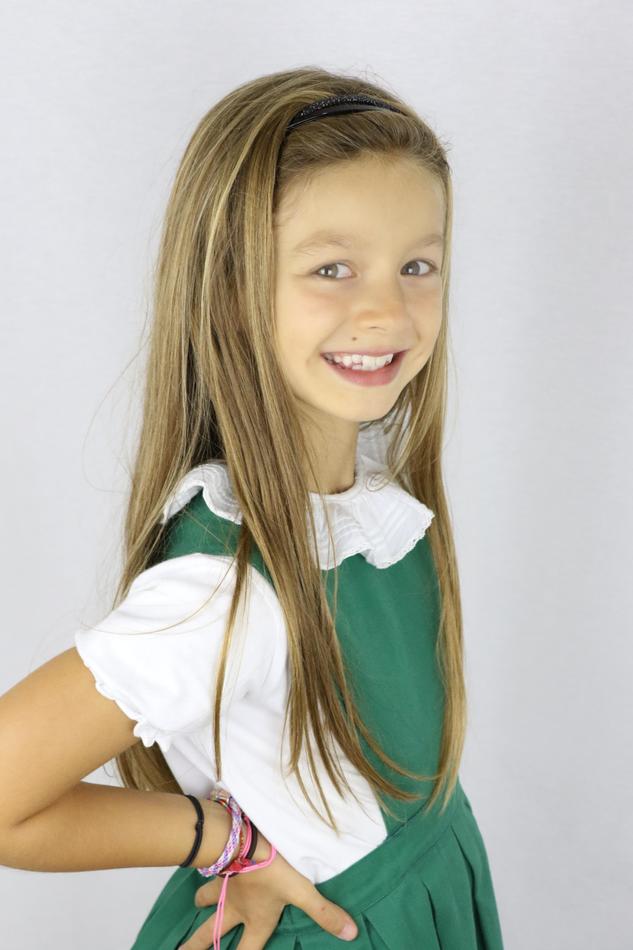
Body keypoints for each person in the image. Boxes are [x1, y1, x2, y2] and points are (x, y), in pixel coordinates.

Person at [0, 66, 505, 949]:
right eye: (332, 268)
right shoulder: (220, 591)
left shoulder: (373, 516)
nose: (387, 309)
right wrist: (222, 839)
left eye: (416, 265)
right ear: (232, 291)